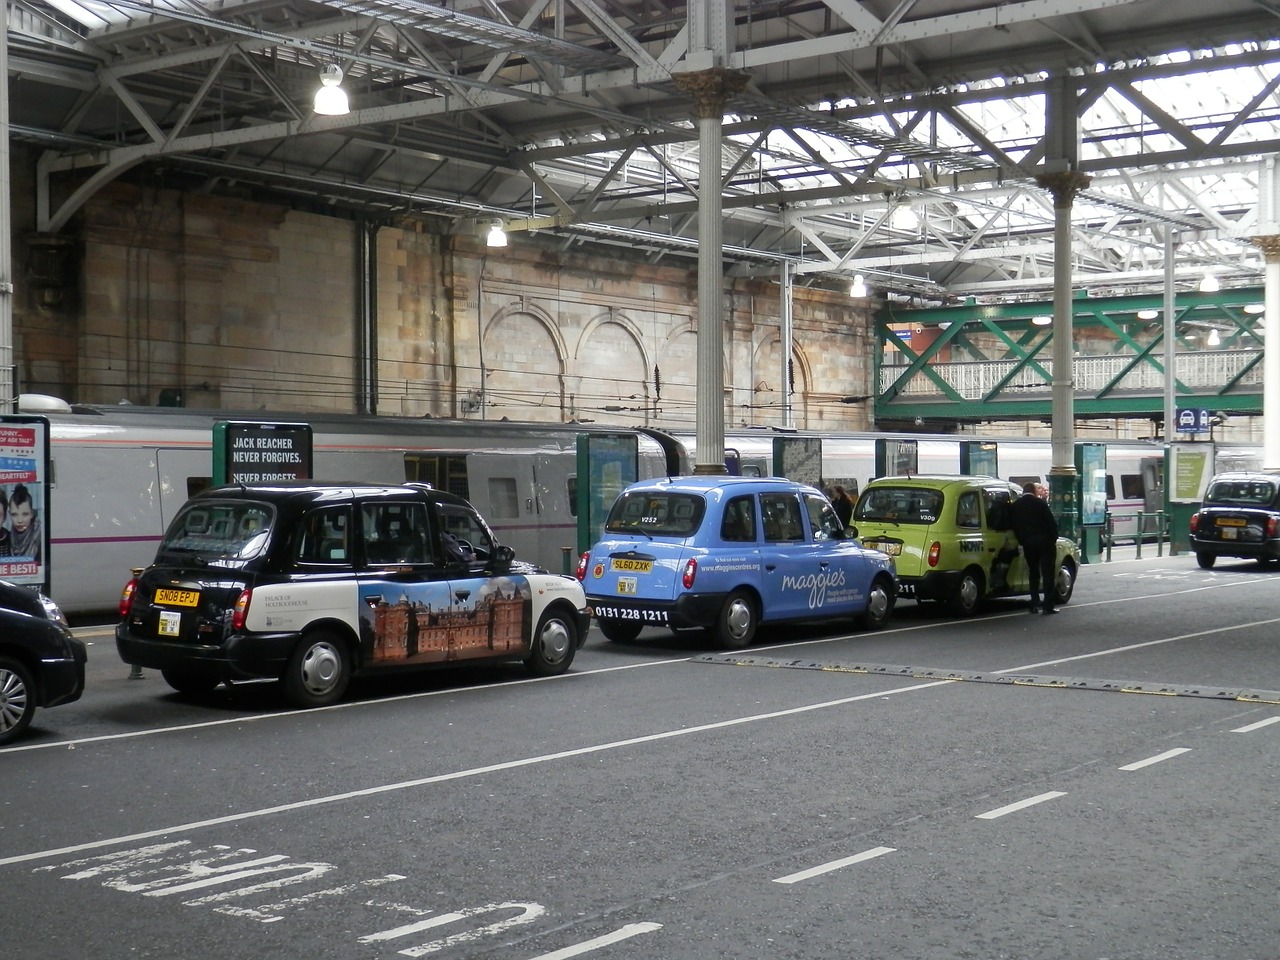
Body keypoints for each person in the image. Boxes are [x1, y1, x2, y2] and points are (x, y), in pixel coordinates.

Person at [1010, 481, 1059, 615]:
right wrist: (1053, 538)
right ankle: (1048, 606)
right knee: (1048, 574)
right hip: (1045, 543)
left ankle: (1034, 604)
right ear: (1034, 491)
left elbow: (1015, 526)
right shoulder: (1040, 503)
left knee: (1033, 573)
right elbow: (1051, 523)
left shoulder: (1016, 506)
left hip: (1028, 544)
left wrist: (1023, 540)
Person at [9, 484, 42, 562]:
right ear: (9, 514)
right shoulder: (8, 538)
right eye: (14, 514)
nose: (20, 520)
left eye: (25, 514)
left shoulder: (40, 538)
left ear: (32, 514)